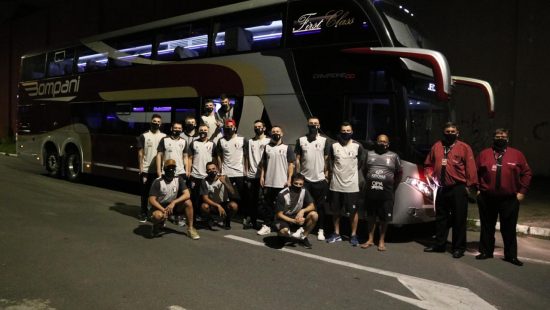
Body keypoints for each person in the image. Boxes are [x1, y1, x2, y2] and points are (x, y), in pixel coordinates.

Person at [475, 128, 532, 266]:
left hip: (509, 198)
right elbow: (475, 172)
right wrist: (477, 189)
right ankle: (486, 251)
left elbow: (527, 173)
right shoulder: (484, 154)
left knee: (509, 228)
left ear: (508, 138)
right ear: (493, 138)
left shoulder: (517, 154)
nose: (500, 138)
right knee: (487, 226)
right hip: (487, 197)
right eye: (498, 136)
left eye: (503, 136)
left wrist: (522, 192)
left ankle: (511, 255)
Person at [423, 122, 477, 258]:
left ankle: (458, 248)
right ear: (443, 132)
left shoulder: (464, 148)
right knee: (441, 218)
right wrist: (429, 173)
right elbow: (428, 163)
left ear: (458, 133)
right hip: (441, 188)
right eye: (447, 131)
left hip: (458, 188)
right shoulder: (437, 146)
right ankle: (439, 245)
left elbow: (471, 168)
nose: (450, 133)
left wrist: (470, 186)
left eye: (453, 131)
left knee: (459, 219)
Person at [360, 134, 401, 251]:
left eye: (384, 141)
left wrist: (392, 186)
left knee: (384, 219)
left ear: (388, 143)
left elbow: (399, 173)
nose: (382, 143)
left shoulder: (394, 156)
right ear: (376, 142)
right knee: (371, 217)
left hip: (386, 193)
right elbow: (364, 170)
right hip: (371, 192)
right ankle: (370, 239)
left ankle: (381, 241)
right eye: (380, 141)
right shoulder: (369, 154)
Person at [326, 122, 365, 246]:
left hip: (352, 186)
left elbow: (361, 163)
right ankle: (336, 233)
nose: (346, 133)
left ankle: (353, 235)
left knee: (353, 212)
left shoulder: (358, 146)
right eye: (343, 131)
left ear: (352, 132)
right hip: (336, 185)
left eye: (348, 131)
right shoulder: (334, 146)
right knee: (335, 211)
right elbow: (330, 163)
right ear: (340, 132)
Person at [294, 116, 330, 241]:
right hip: (305, 180)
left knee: (320, 206)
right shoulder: (301, 140)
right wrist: (298, 176)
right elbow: (297, 159)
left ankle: (321, 229)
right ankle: (301, 227)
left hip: (320, 180)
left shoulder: (324, 141)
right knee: (303, 205)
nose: (313, 126)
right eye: (311, 124)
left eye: (316, 124)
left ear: (319, 126)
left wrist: (326, 176)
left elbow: (326, 160)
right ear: (307, 125)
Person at [258, 126, 295, 235]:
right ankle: (267, 225)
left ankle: (282, 226)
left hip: (282, 183)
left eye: (277, 131)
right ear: (270, 133)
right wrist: (262, 177)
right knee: (268, 205)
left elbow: (291, 165)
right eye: (273, 131)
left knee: (282, 206)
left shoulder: (287, 148)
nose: (275, 133)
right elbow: (264, 164)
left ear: (282, 133)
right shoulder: (267, 147)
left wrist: (289, 179)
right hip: (269, 182)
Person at [148, 159, 199, 239]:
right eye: (169, 167)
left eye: (173, 167)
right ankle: (156, 226)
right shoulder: (158, 181)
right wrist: (163, 210)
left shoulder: (178, 179)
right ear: (164, 169)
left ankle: (190, 229)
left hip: (171, 206)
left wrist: (174, 202)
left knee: (188, 202)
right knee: (158, 216)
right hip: (159, 207)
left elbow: (187, 194)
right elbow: (151, 200)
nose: (171, 169)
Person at [274, 173, 318, 249]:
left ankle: (303, 237)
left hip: (295, 216)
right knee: (284, 231)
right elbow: (279, 214)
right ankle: (281, 236)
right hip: (283, 218)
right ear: (291, 182)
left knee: (314, 215)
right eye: (296, 183)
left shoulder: (304, 191)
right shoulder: (282, 194)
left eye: (300, 184)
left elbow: (312, 206)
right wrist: (293, 221)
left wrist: (303, 210)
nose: (298, 186)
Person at [136, 114, 166, 223]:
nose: (156, 123)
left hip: (159, 171)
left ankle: (155, 213)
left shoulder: (164, 136)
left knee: (157, 194)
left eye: (158, 121)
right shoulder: (144, 136)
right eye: (154, 121)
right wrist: (141, 168)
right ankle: (143, 213)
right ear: (150, 122)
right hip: (146, 170)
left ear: (161, 124)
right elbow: (140, 153)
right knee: (145, 194)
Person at [243, 120, 271, 229]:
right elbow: (246, 157)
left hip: (265, 176)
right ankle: (253, 220)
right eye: (255, 127)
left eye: (259, 126)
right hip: (252, 175)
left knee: (264, 200)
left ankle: (266, 222)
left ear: (264, 128)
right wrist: (246, 170)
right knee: (252, 199)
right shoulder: (250, 141)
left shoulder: (269, 141)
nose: (257, 128)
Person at [188, 124, 216, 220]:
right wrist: (188, 171)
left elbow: (215, 159)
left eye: (205, 130)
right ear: (198, 131)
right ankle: (194, 217)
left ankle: (206, 217)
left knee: (206, 199)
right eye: (201, 130)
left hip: (207, 177)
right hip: (195, 176)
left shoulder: (212, 144)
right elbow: (189, 158)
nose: (203, 131)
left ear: (207, 132)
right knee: (194, 198)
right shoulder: (194, 143)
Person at [216, 119, 247, 207]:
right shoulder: (221, 140)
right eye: (227, 127)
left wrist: (245, 170)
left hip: (239, 172)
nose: (229, 128)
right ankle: (228, 215)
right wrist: (220, 170)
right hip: (226, 173)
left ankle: (241, 215)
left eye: (231, 126)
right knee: (227, 195)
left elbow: (246, 156)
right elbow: (219, 156)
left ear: (235, 127)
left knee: (241, 195)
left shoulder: (242, 139)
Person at [200, 162, 239, 230]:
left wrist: (224, 182)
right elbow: (205, 198)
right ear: (206, 172)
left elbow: (232, 192)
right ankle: (210, 219)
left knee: (234, 206)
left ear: (217, 169)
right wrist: (218, 206)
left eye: (213, 168)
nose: (212, 171)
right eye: (209, 170)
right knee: (204, 206)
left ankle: (227, 220)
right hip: (213, 204)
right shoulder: (204, 181)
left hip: (224, 202)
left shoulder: (224, 177)